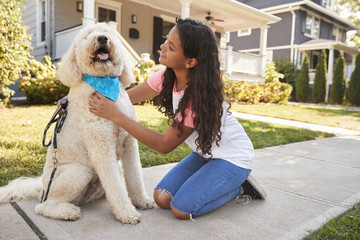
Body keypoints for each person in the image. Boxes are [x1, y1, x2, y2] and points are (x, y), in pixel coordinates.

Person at [88, 18, 264, 220]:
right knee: (161, 198)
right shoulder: (167, 76)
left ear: (190, 61)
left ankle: (239, 187)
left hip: (233, 159)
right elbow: (125, 97)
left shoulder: (197, 99)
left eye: (170, 47)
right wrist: (73, 99)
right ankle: (217, 179)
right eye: (166, 40)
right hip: (206, 154)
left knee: (182, 209)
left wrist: (116, 115)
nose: (162, 47)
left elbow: (164, 145)